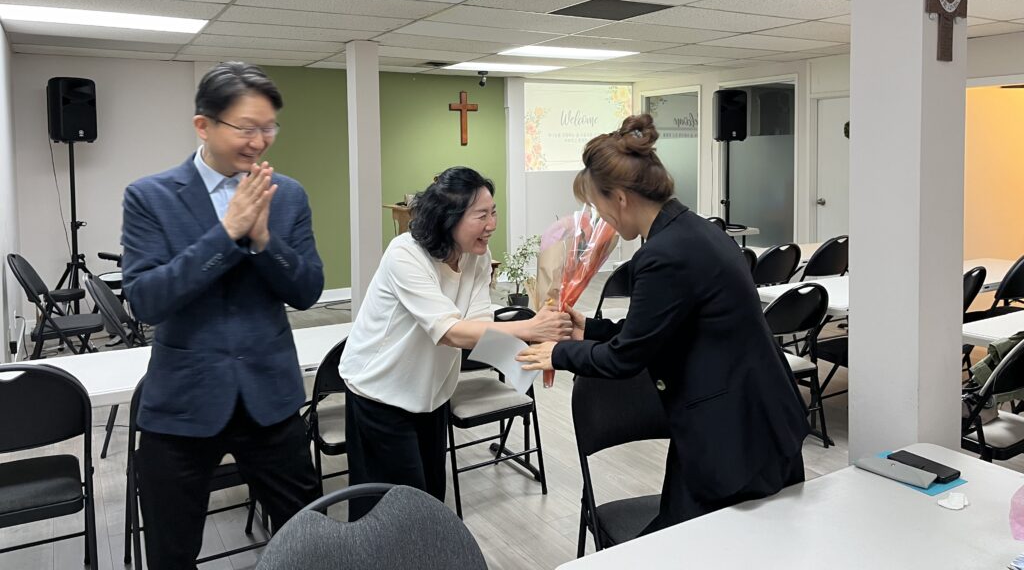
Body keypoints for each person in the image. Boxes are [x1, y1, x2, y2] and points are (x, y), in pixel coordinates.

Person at [517, 114, 809, 532]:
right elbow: (666, 330)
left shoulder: (663, 254)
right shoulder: (695, 230)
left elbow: (626, 359)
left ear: (620, 198)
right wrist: (589, 330)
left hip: (735, 435)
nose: (601, 219)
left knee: (692, 545)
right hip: (755, 418)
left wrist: (559, 353)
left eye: (598, 206)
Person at [121, 62, 323, 569]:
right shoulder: (150, 197)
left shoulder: (288, 195)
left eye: (269, 127)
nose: (259, 141)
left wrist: (263, 240)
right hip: (183, 405)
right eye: (246, 128)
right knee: (171, 552)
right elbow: (146, 300)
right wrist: (227, 233)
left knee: (309, 543)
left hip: (271, 399)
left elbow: (307, 290)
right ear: (203, 125)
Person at [339, 166, 572, 518]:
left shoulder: (477, 255)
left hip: (430, 395)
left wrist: (531, 352)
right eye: (481, 215)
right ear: (448, 218)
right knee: (390, 514)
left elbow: (477, 327)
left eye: (493, 212)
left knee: (430, 501)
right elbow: (449, 331)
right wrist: (531, 328)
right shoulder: (406, 254)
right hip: (381, 394)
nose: (492, 224)